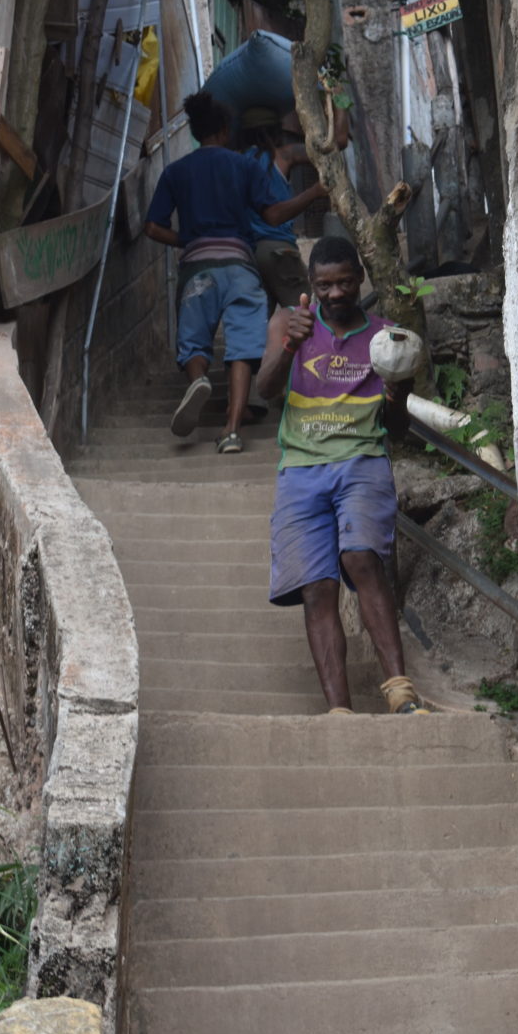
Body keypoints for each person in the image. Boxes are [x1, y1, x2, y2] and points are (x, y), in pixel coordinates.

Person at [256, 235, 428, 714]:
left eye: (345, 283)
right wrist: (291, 343)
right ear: (311, 284)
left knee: (361, 559)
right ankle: (340, 712)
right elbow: (266, 390)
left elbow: (396, 428)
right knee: (316, 587)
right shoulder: (285, 325)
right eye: (325, 285)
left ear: (360, 279)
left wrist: (398, 394)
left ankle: (400, 691)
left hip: (361, 462)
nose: (335, 294)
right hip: (300, 472)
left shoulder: (385, 338)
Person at [145, 91, 324, 453]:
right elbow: (273, 215)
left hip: (198, 267)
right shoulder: (244, 167)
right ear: (225, 130)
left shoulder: (175, 172)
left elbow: (152, 227)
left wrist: (189, 241)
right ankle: (231, 430)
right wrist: (315, 192)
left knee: (194, 340)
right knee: (242, 345)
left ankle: (198, 381)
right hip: (240, 266)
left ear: (196, 132)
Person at [241, 109, 349, 312]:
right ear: (276, 134)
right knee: (309, 317)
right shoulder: (282, 155)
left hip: (248, 254)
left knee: (258, 327)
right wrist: (341, 106)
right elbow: (338, 142)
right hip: (278, 250)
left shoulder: (236, 163)